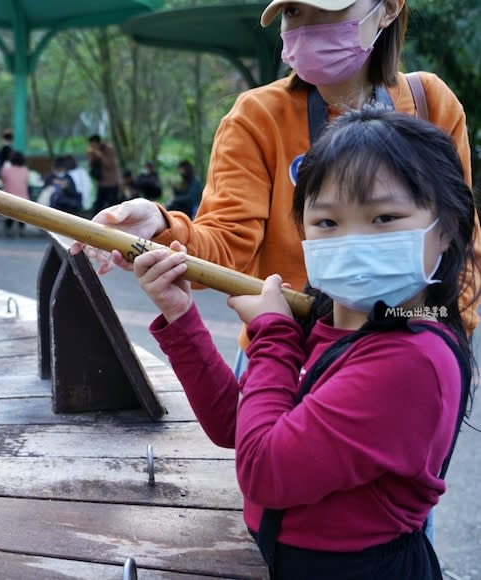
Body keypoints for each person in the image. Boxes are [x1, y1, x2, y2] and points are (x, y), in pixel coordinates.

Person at [134, 108, 477, 579]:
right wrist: (180, 314)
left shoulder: (413, 358)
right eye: (328, 223)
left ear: (445, 229)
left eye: (383, 217)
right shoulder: (337, 324)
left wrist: (273, 335)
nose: (353, 241)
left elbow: (262, 469)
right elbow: (239, 427)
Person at [72, 0, 481, 342]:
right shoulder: (255, 117)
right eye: (292, 13)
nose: (305, 27)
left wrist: (431, 333)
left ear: (389, 8)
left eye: (324, 10)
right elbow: (227, 249)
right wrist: (161, 227)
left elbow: (463, 253)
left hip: (411, 360)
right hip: (286, 360)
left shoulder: (431, 103)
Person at [87, 134, 121, 213]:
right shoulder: (93, 152)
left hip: (111, 183)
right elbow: (91, 165)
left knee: (113, 206)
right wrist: (91, 157)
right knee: (98, 206)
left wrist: (99, 155)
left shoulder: (108, 149)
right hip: (102, 183)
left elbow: (109, 164)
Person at [0, 150, 30, 237]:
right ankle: (21, 229)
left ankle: (8, 228)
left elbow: (3, 181)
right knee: (19, 208)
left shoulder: (5, 170)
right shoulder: (26, 170)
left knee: (9, 207)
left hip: (9, 201)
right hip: (24, 202)